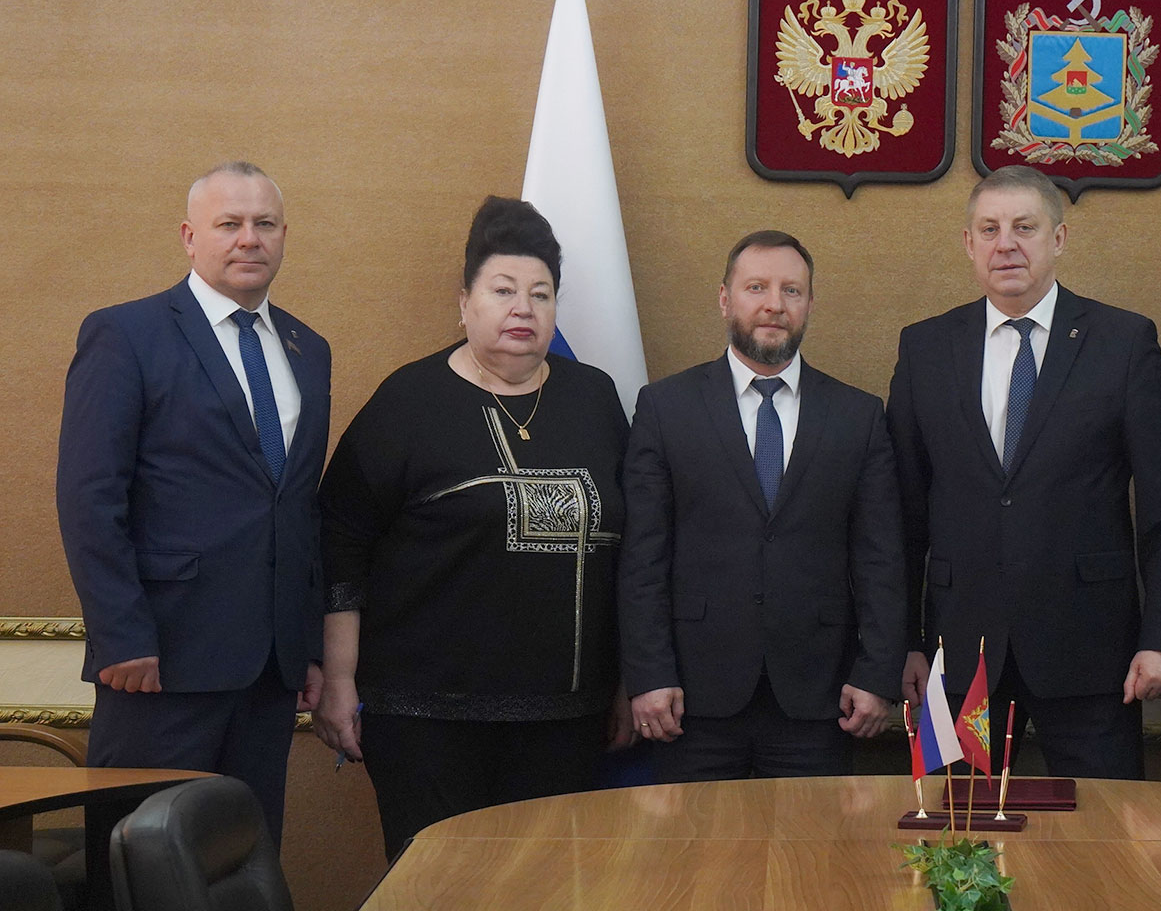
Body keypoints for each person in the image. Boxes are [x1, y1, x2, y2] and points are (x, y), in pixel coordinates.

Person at [313, 196, 630, 860]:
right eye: (503, 290)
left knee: (549, 890)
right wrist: (339, 679)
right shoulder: (409, 401)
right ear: (465, 303)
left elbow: (633, 550)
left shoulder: (595, 398)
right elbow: (341, 540)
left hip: (567, 719)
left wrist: (629, 679)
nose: (524, 308)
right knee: (441, 888)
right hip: (425, 718)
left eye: (541, 294)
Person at [887, 165, 1161, 779]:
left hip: (1091, 650)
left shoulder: (1123, 342)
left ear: (1058, 238)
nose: (1006, 244)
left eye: (1025, 227)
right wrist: (901, 642)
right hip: (959, 654)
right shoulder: (925, 347)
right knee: (956, 824)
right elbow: (901, 514)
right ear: (969, 244)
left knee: (1103, 825)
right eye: (990, 229)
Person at [55, 161, 331, 844]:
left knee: (240, 859)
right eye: (228, 224)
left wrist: (306, 644)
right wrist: (121, 635)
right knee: (140, 859)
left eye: (264, 224)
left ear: (284, 235)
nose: (249, 239)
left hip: (269, 670)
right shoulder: (126, 334)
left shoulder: (309, 349)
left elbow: (298, 508)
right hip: (160, 661)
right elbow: (90, 497)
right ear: (188, 236)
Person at [620, 231, 905, 779]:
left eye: (791, 290)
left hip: (821, 696)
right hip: (690, 698)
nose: (774, 304)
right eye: (756, 287)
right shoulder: (666, 408)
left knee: (809, 837)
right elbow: (642, 558)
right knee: (698, 838)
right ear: (725, 299)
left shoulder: (858, 415)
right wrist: (649, 674)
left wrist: (877, 673)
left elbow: (881, 559)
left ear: (810, 304)